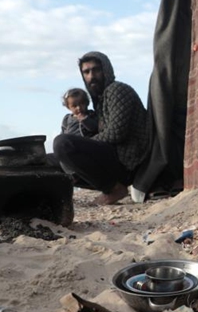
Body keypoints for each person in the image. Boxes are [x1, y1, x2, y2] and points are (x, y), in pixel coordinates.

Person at [53, 51, 149, 205]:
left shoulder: (117, 90)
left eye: (96, 70)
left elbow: (116, 134)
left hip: (126, 162)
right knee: (47, 161)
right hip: (110, 159)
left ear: (106, 70)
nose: (92, 76)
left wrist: (82, 145)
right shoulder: (99, 99)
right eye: (86, 72)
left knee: (62, 144)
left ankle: (113, 188)